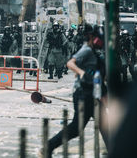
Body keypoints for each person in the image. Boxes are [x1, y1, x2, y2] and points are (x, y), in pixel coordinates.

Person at [44, 24, 108, 157]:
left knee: (105, 126)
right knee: (75, 128)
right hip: (83, 94)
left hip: (93, 94)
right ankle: (48, 147)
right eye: (98, 38)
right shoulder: (87, 50)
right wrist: (81, 72)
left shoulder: (96, 52)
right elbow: (70, 63)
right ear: (92, 37)